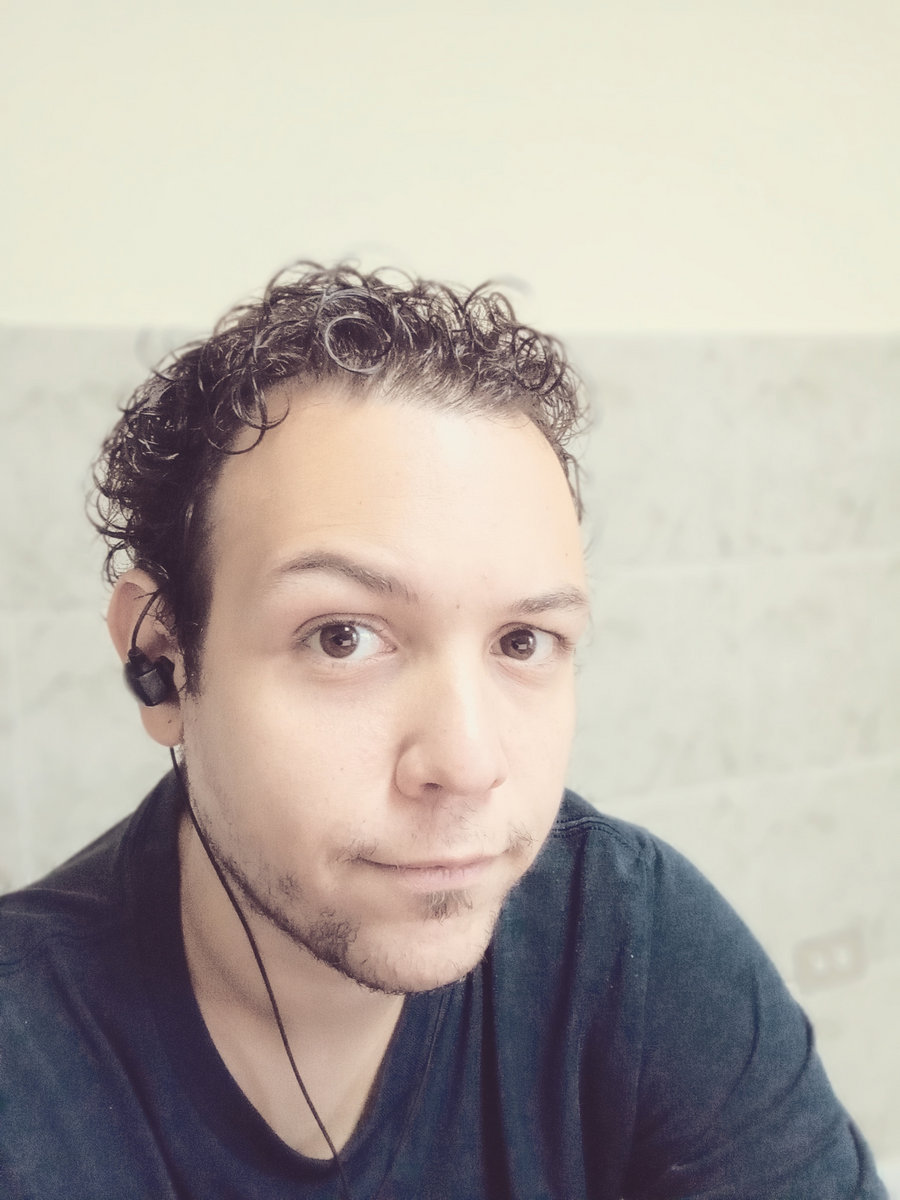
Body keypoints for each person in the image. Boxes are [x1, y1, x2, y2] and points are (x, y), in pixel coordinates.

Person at [0, 264, 887, 1200]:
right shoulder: (29, 1067)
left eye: (523, 640)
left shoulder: (631, 942)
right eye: (342, 637)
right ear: (162, 657)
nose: (466, 766)